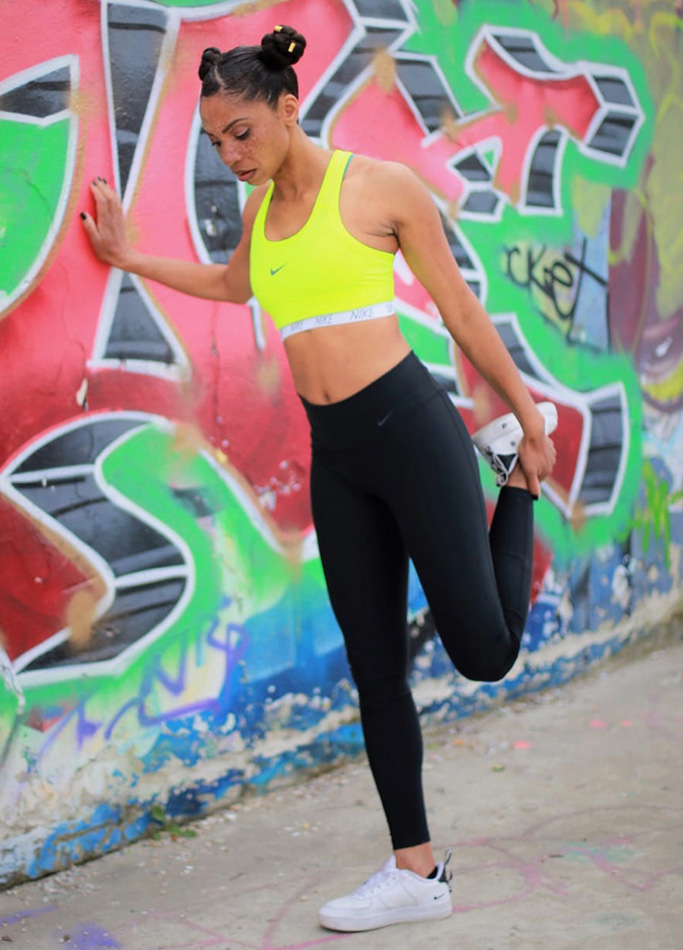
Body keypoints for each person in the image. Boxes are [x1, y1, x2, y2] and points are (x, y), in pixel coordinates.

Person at [81, 24, 557, 933]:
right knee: (374, 666)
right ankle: (415, 870)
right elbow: (232, 288)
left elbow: (460, 309)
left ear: (288, 109)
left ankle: (515, 484)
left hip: (411, 431)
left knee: (484, 654)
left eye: (242, 134)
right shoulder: (260, 217)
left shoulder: (378, 186)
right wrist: (130, 256)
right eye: (216, 142)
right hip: (336, 455)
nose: (231, 156)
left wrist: (528, 422)